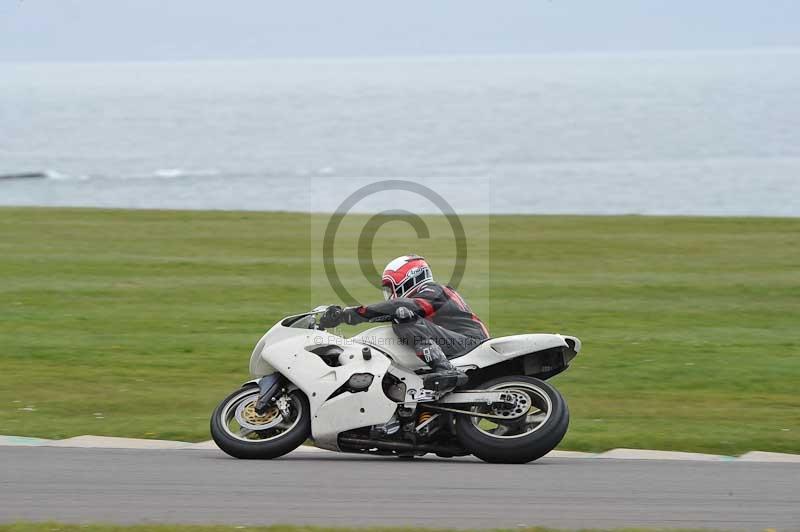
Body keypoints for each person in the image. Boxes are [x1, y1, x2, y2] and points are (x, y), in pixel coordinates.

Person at [320, 255, 489, 393]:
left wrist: (348, 315)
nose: (390, 294)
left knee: (403, 317)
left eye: (391, 288)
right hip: (462, 341)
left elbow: (398, 307)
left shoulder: (434, 290)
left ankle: (444, 369)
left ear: (410, 280)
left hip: (469, 342)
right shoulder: (433, 293)